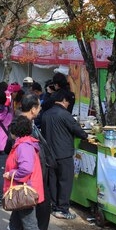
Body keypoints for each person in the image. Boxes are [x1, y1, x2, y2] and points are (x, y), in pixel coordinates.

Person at [0, 115, 54, 230]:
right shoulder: (26, 144)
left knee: (31, 227)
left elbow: (25, 169)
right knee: (15, 223)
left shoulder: (23, 146)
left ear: (15, 131)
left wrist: (10, 173)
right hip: (23, 192)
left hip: (24, 192)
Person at [41, 89, 88, 219]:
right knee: (65, 182)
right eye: (68, 102)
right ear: (64, 100)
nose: (68, 104)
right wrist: (85, 135)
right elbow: (79, 131)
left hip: (49, 154)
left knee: (53, 182)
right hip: (64, 154)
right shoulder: (64, 114)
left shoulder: (46, 114)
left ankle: (55, 207)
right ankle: (63, 209)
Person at [16, 93, 55, 230]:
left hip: (38, 172)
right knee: (36, 208)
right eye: (38, 106)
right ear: (33, 109)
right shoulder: (22, 124)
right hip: (30, 174)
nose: (40, 109)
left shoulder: (29, 123)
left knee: (40, 208)